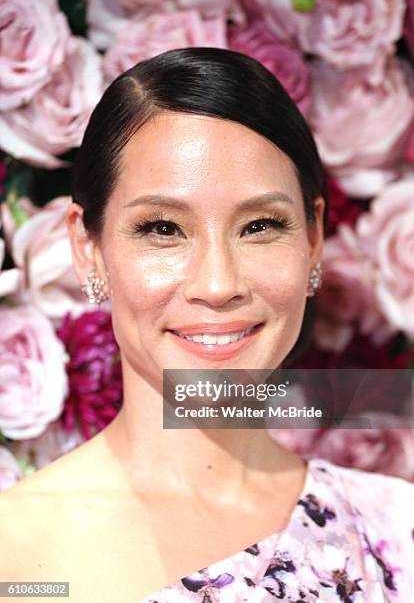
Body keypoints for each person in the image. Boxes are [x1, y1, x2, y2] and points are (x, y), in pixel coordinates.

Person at [1, 47, 414, 603]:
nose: (218, 285)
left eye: (261, 225)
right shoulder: (18, 559)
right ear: (88, 248)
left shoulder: (397, 533)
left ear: (313, 237)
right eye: (163, 228)